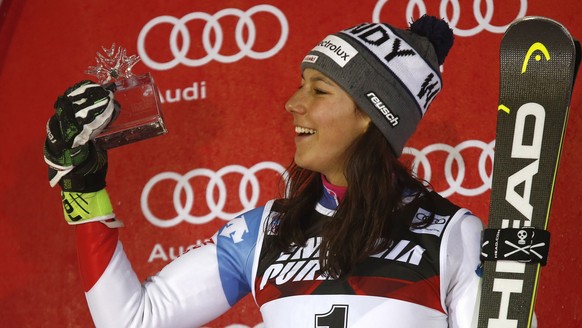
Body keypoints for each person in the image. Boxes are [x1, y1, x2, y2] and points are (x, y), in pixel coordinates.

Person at [44, 15, 483, 327]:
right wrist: (84, 188)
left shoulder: (449, 235)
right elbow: (133, 320)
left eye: (319, 89)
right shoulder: (267, 231)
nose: (294, 104)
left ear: (372, 113)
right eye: (300, 84)